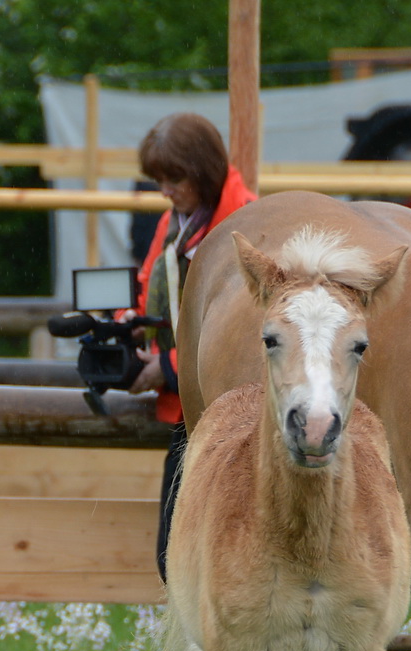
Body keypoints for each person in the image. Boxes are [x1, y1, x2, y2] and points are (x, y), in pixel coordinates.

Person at [131, 113, 257, 579]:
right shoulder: (174, 225)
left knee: (218, 559)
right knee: (175, 559)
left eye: (174, 178)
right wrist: (131, 331)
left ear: (202, 172)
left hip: (235, 413)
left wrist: (166, 366)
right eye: (159, 180)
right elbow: (149, 289)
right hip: (188, 409)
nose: (166, 190)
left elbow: (239, 334)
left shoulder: (246, 225)